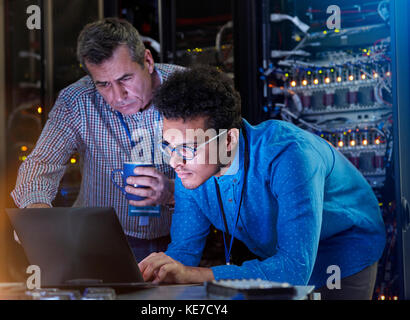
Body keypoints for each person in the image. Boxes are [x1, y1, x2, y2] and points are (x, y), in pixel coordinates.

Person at [138, 66, 386, 300]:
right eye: (168, 147)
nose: (174, 162)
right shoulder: (191, 170)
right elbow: (183, 254)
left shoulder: (289, 155)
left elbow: (293, 270)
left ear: (228, 141)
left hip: (342, 251)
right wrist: (153, 274)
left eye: (186, 148)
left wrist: (193, 275)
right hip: (279, 262)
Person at [11, 18, 184, 262]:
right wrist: (36, 212)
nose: (118, 96)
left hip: (182, 238)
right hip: (101, 241)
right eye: (103, 84)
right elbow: (41, 163)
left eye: (125, 79)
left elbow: (226, 172)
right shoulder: (77, 101)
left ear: (147, 60)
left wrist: (173, 192)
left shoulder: (186, 89)